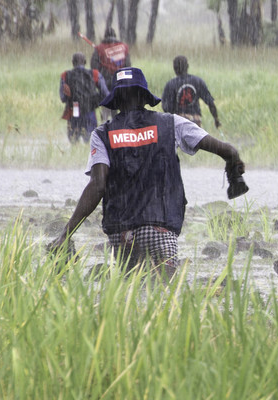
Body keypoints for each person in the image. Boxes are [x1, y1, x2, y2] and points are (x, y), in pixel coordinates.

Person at [49, 66, 246, 275]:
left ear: (116, 100)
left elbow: (97, 186)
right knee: (163, 298)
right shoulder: (171, 124)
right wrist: (234, 173)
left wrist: (66, 233)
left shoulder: (102, 134)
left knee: (131, 297)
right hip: (160, 229)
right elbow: (228, 150)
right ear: (144, 96)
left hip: (122, 233)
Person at [59, 52, 109, 144]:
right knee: (90, 144)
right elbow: (106, 94)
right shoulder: (95, 74)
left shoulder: (65, 75)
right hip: (89, 113)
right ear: (85, 62)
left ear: (72, 62)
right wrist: (96, 101)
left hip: (73, 114)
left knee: (74, 143)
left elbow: (63, 98)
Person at [161, 55, 221, 129]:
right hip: (195, 122)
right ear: (187, 66)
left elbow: (166, 107)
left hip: (178, 122)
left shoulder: (171, 84)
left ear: (174, 68)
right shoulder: (198, 81)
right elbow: (210, 103)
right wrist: (216, 119)